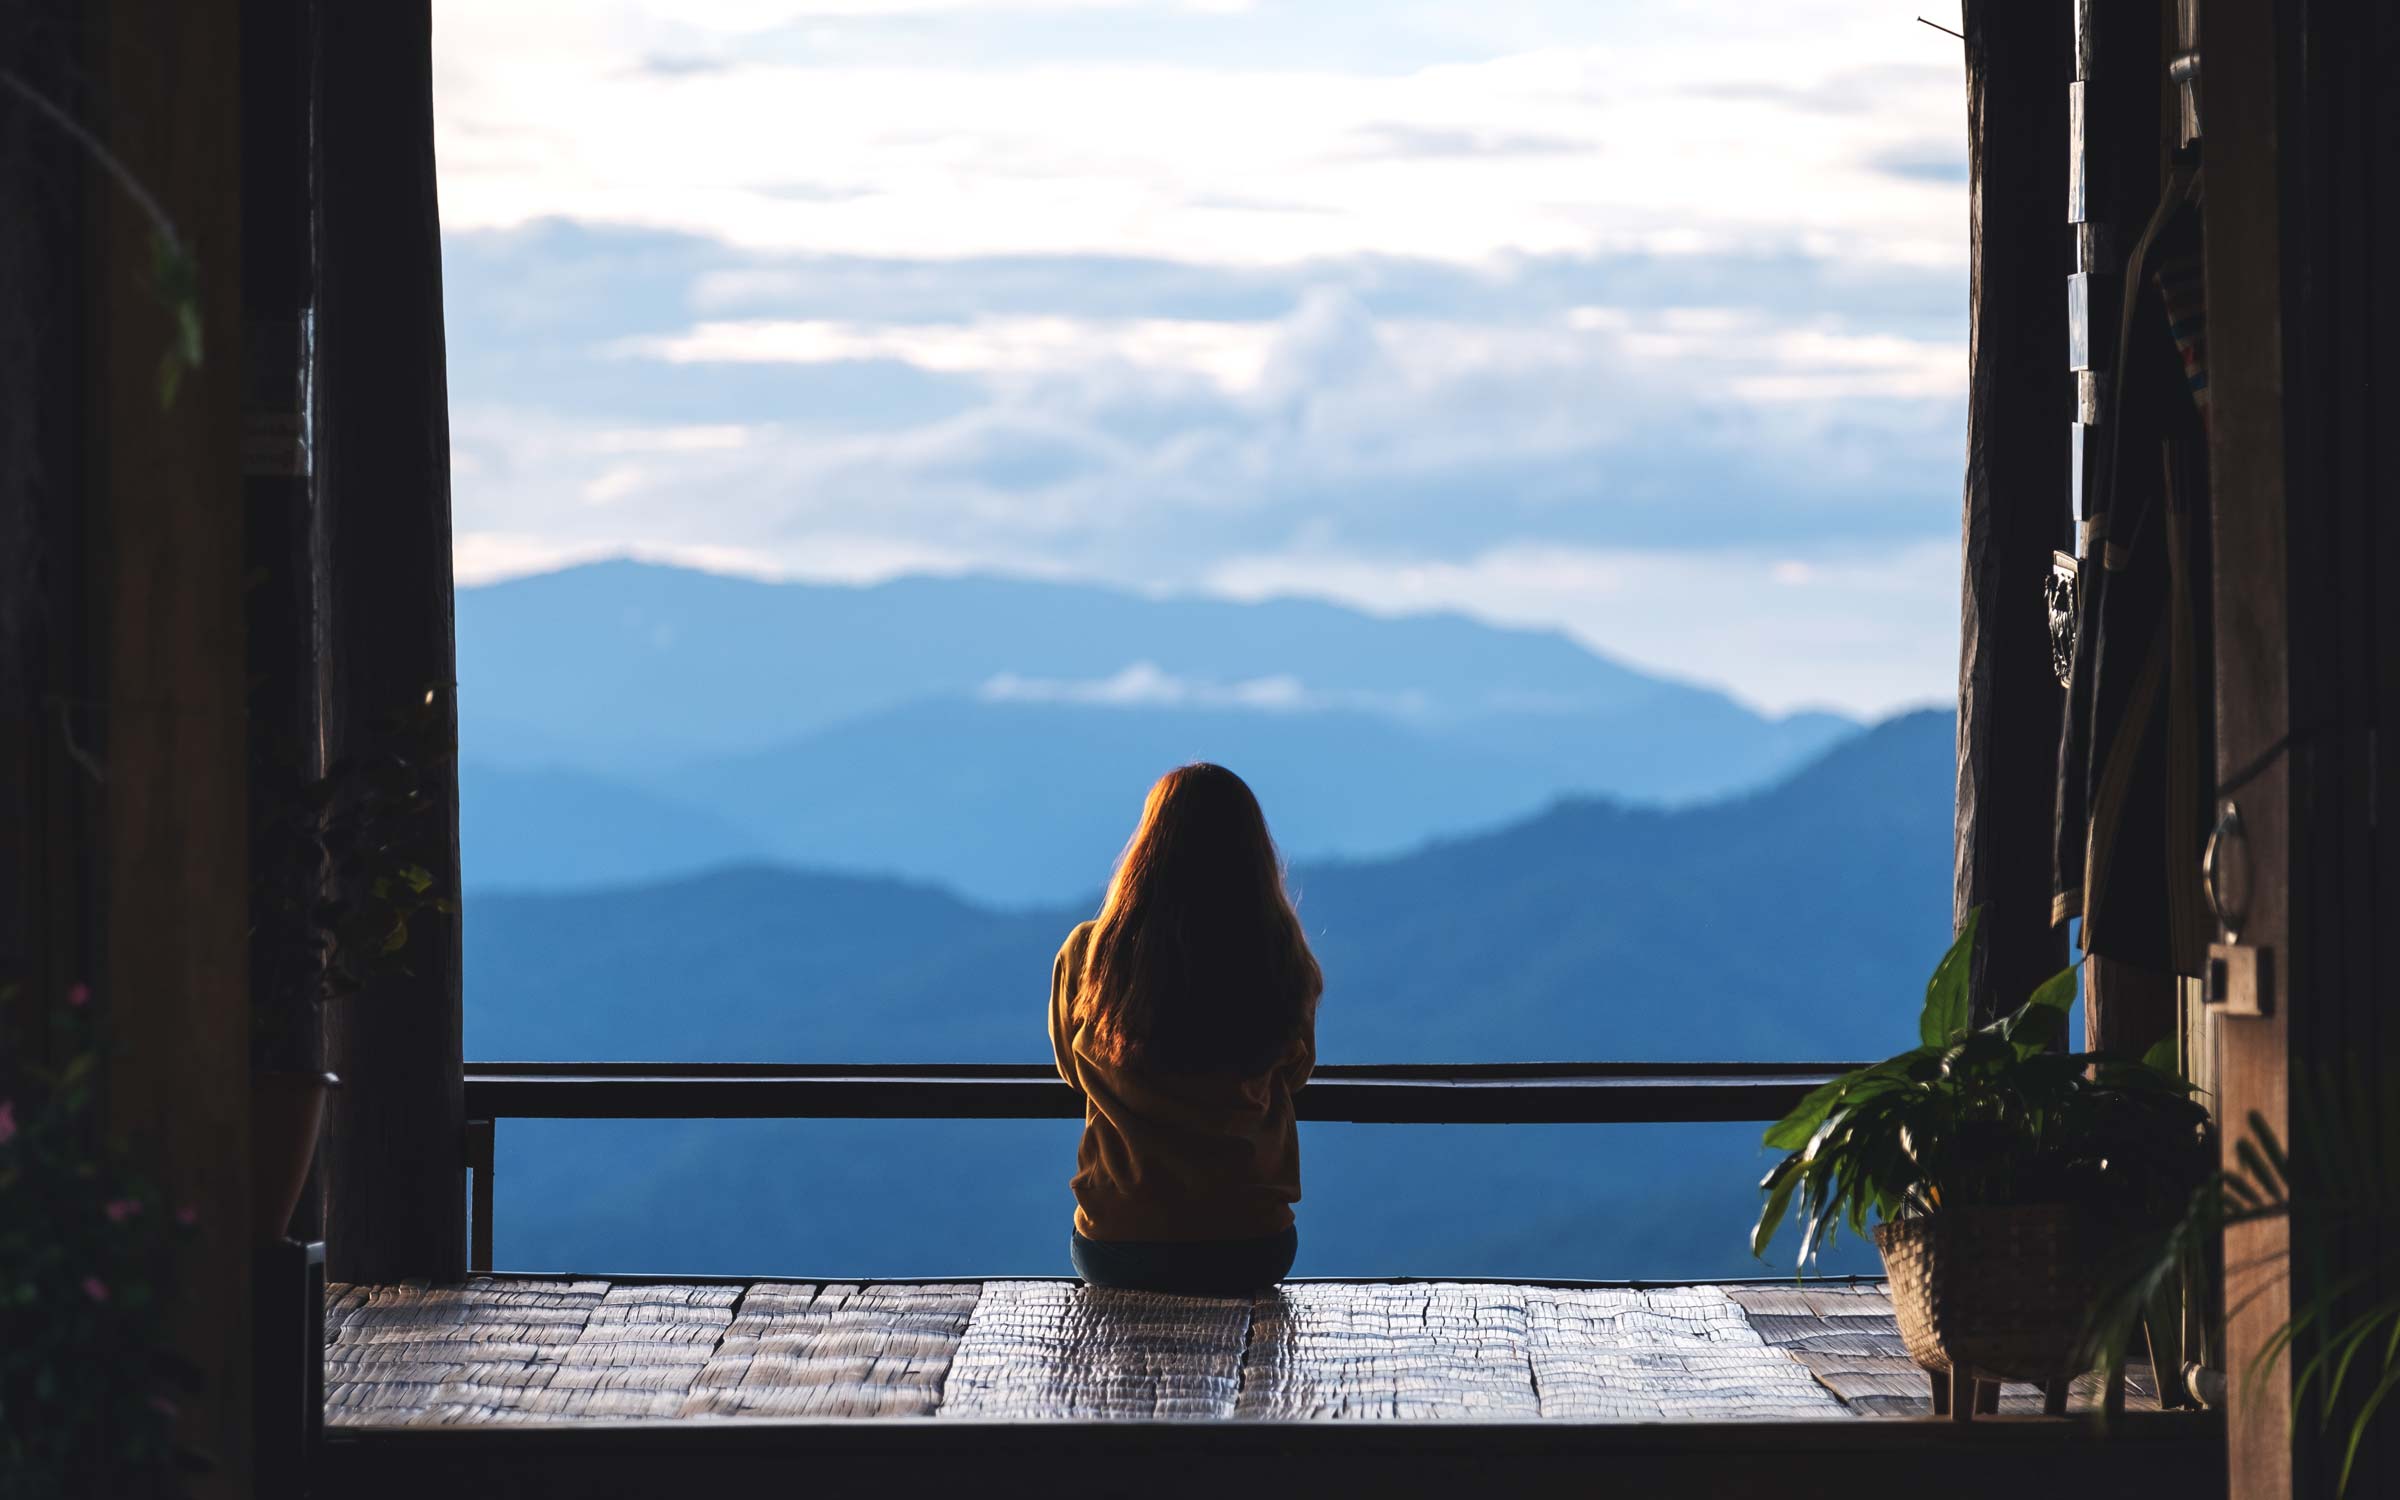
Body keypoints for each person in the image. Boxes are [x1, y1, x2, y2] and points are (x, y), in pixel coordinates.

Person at [1049, 762, 1322, 1297]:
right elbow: (1296, 1073)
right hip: (1253, 1242)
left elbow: (1071, 1071)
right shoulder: (1280, 957)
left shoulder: (1090, 955)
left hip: (1118, 1243)